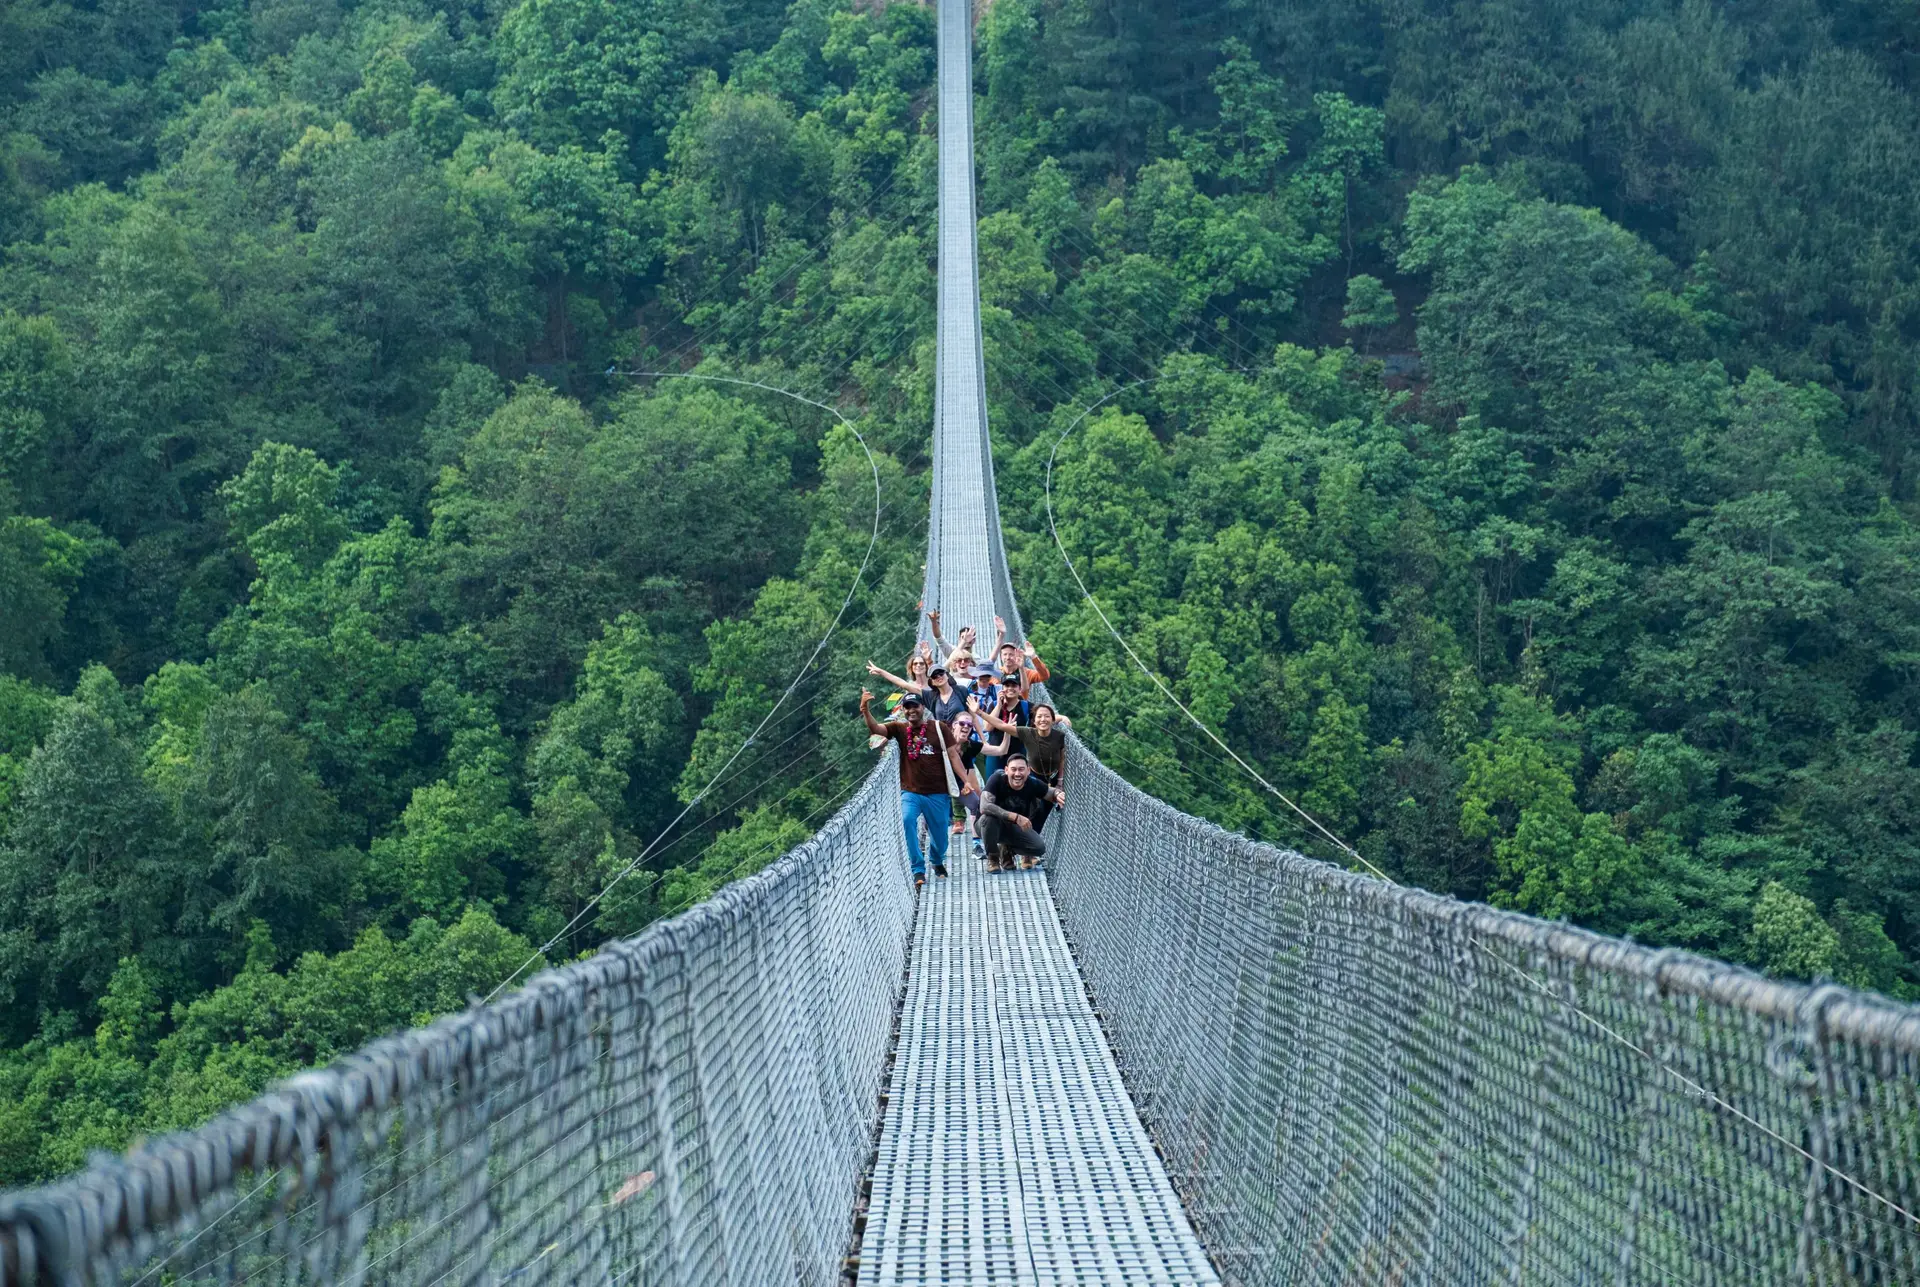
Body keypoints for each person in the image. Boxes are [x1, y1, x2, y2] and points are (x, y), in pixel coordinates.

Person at [862, 688, 967, 886]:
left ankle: (936, 860)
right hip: (911, 791)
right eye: (907, 707)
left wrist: (966, 782)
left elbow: (954, 756)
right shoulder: (899, 729)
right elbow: (876, 729)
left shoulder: (939, 728)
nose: (911, 710)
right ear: (903, 709)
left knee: (941, 839)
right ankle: (918, 869)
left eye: (915, 706)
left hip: (938, 793)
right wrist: (865, 710)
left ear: (923, 707)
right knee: (907, 819)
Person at [974, 700, 1068, 835]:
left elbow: (1062, 759)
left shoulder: (1059, 737)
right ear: (1034, 721)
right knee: (1033, 811)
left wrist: (1059, 782)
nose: (1043, 719)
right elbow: (1001, 725)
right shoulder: (1028, 733)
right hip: (1034, 778)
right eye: (1039, 717)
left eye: (1047, 716)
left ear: (1053, 720)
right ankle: (1022, 846)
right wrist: (979, 712)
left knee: (1043, 815)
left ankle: (1029, 847)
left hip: (1052, 779)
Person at [979, 753, 1062, 872]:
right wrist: (1016, 817)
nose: (1017, 774)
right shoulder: (996, 779)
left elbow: (1050, 792)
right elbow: (984, 806)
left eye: (1021, 769)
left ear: (1028, 771)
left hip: (1012, 828)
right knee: (989, 819)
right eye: (1013, 769)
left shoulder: (1032, 783)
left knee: (1038, 848)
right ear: (1006, 770)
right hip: (986, 826)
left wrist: (1058, 794)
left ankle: (1007, 849)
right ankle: (993, 857)